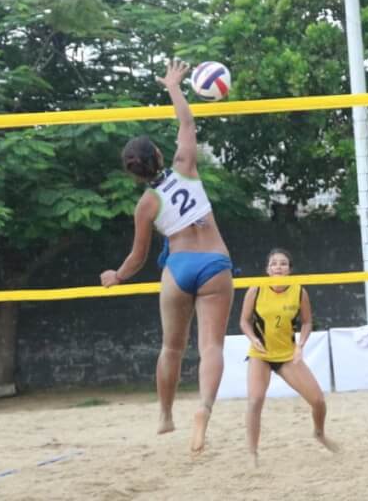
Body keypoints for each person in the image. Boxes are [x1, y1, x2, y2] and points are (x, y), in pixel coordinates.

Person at [100, 57, 235, 454]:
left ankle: (165, 415)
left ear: (135, 172)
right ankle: (204, 411)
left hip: (177, 269)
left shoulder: (145, 204)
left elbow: (138, 257)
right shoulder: (185, 166)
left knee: (171, 348)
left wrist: (116, 277)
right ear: (159, 154)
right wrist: (174, 86)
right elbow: (188, 124)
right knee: (211, 347)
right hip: (213, 263)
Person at [239, 248, 337, 466]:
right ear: (267, 269)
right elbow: (244, 321)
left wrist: (300, 345)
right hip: (261, 354)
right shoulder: (256, 289)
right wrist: (252, 337)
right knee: (255, 400)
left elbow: (307, 322)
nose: (278, 267)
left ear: (290, 269)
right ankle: (252, 453)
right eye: (274, 264)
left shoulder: (299, 291)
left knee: (318, 401)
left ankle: (319, 433)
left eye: (283, 263)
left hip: (287, 355)